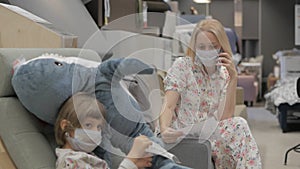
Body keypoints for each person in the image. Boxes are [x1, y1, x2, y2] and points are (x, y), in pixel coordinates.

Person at [159, 19, 262, 169]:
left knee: (238, 125)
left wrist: (233, 78)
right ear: (194, 46)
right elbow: (168, 105)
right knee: (240, 125)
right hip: (184, 131)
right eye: (202, 47)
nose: (207, 51)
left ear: (221, 46)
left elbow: (225, 118)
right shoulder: (183, 66)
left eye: (213, 46)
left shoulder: (223, 73)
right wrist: (164, 128)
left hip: (209, 132)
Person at [55, 92, 153, 169]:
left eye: (99, 127)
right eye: (88, 125)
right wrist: (131, 159)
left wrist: (134, 165)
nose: (95, 132)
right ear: (65, 126)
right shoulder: (71, 161)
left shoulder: (86, 155)